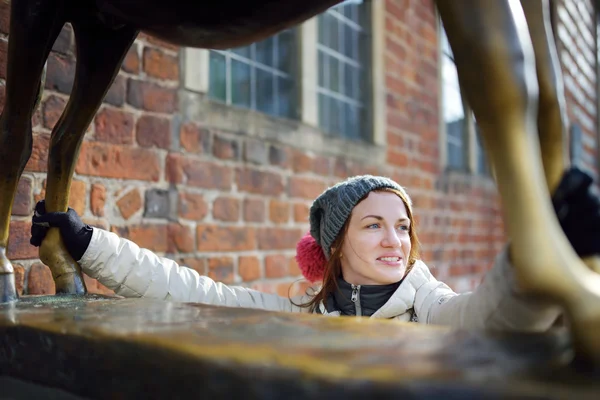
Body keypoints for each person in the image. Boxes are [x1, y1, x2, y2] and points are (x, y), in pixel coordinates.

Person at [29, 170, 600, 330]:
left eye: (402, 226)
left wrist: (535, 254)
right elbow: (195, 292)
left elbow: (488, 317)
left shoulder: (430, 308)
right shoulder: (303, 317)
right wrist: (88, 244)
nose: (395, 240)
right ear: (335, 245)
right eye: (374, 226)